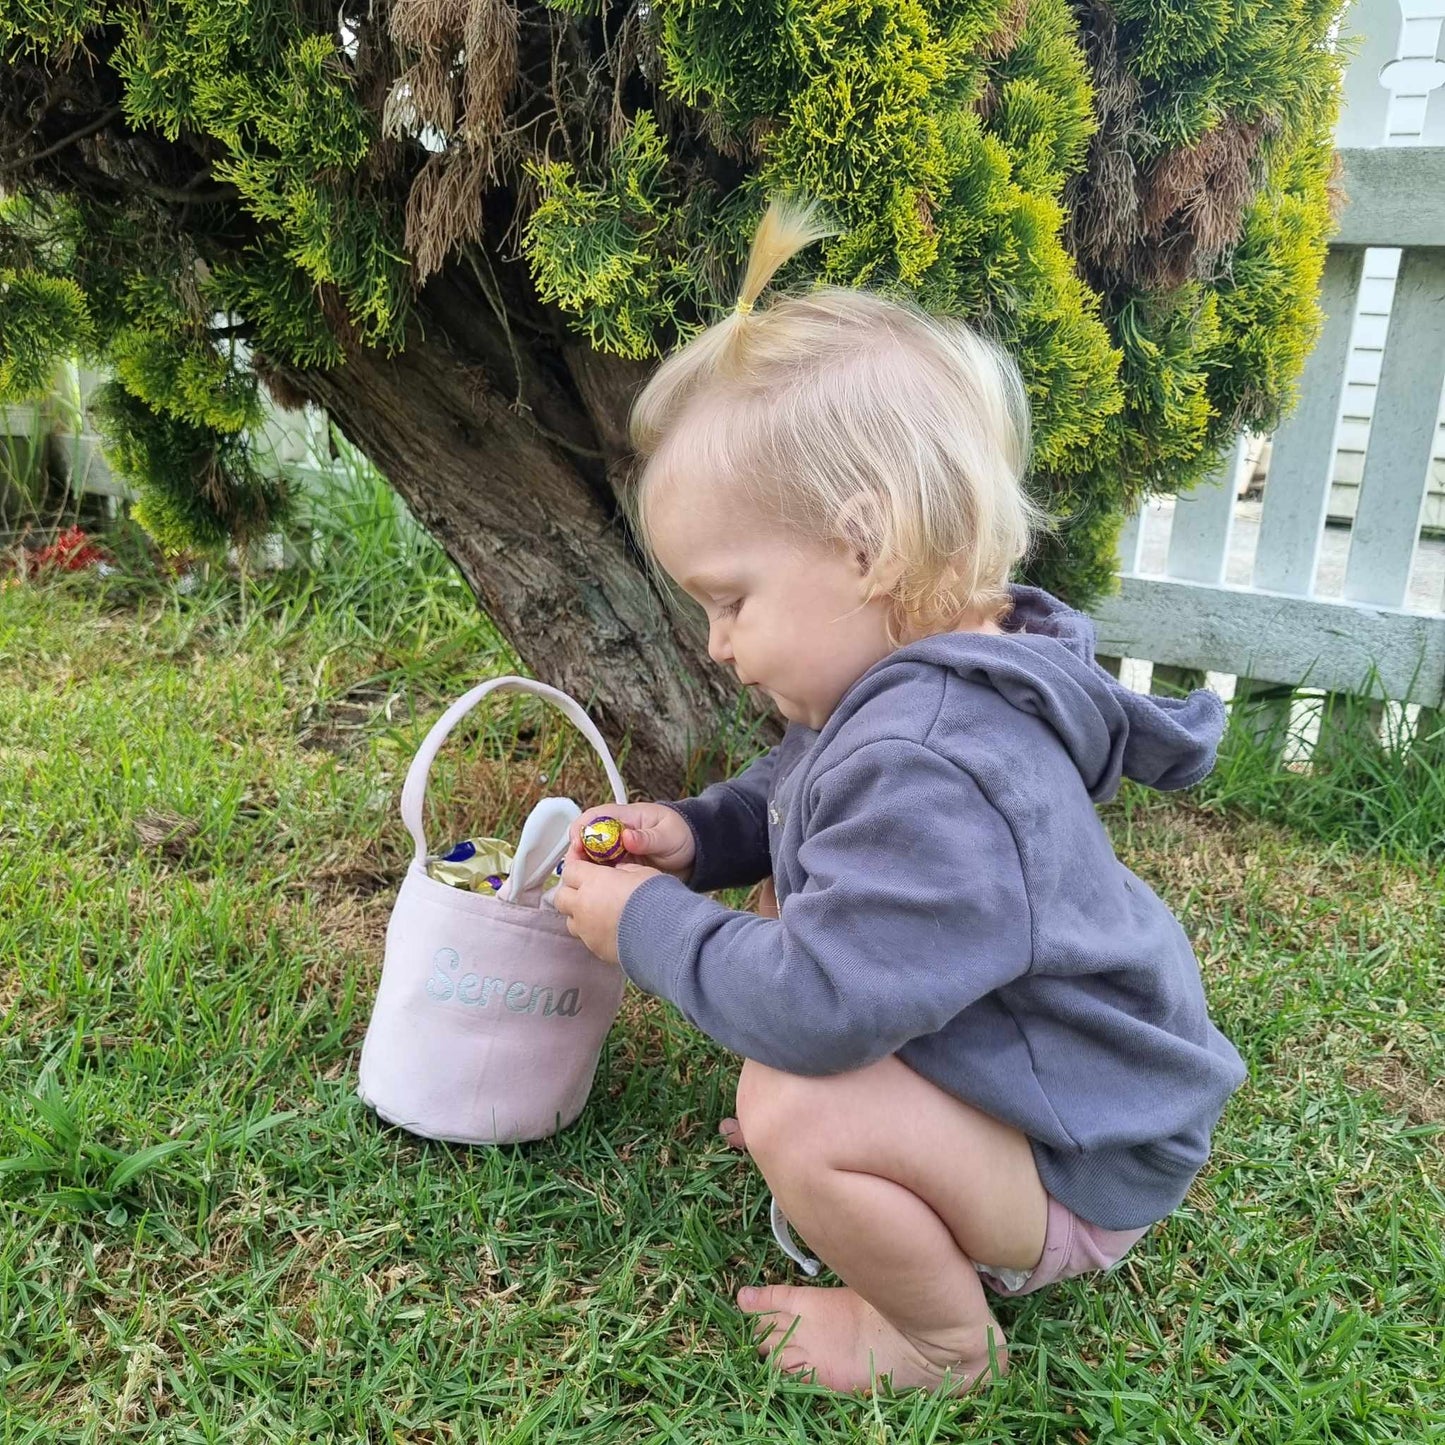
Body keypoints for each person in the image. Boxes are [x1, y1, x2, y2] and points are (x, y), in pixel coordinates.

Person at [552, 199, 1245, 1397]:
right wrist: (703, 836)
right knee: (803, 1096)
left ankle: (932, 1341)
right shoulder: (901, 692)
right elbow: (797, 783)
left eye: (728, 598)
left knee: (794, 1103)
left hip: (1078, 1156)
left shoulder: (936, 757)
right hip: (1032, 1094)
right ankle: (912, 1153)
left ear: (865, 548)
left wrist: (644, 927)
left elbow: (817, 1004)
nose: (714, 643)